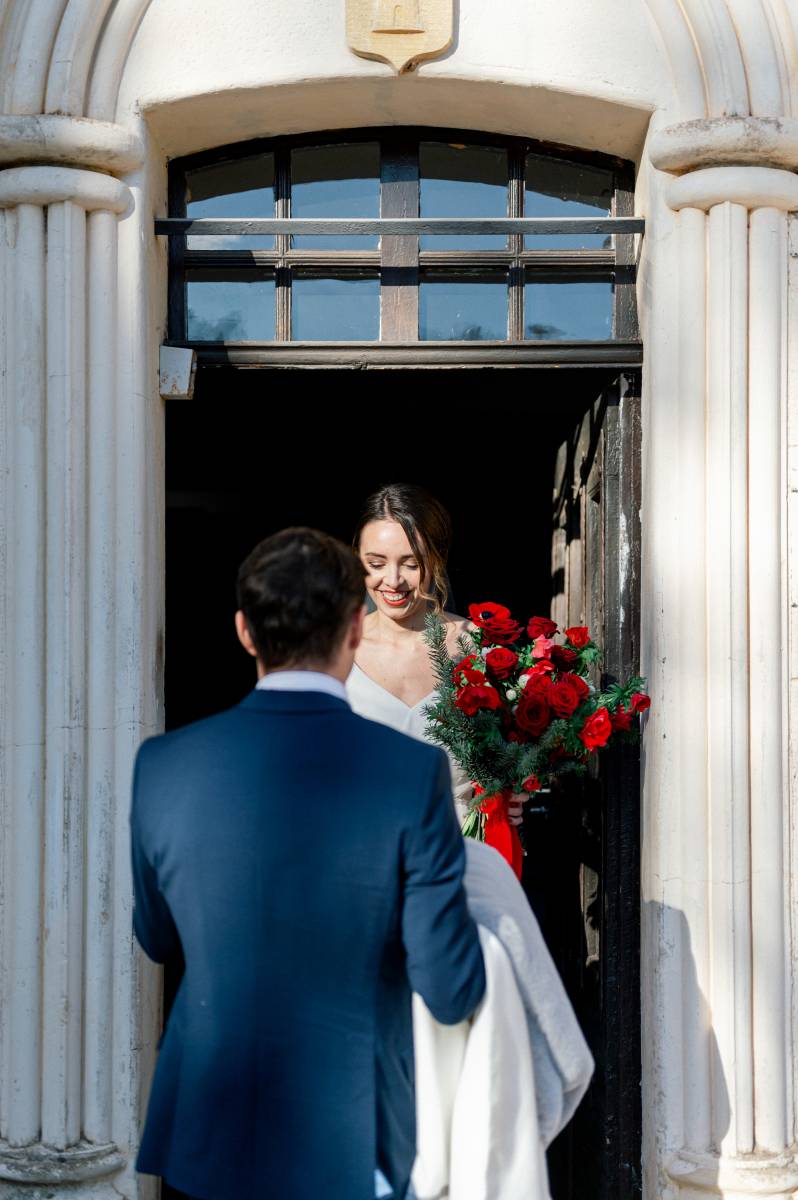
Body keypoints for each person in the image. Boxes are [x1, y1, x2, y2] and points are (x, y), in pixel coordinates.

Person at [129, 526, 486, 1200]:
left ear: (243, 631)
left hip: (210, 1131)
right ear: (356, 628)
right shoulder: (413, 773)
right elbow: (449, 988)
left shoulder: (163, 766)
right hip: (358, 1133)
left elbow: (157, 938)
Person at [345, 484, 595, 1197]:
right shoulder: (336, 647)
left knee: (469, 1083)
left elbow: (500, 769)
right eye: (375, 563)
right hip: (358, 898)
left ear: (437, 559)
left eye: (410, 562)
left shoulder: (475, 649)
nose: (392, 581)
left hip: (462, 891)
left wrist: (511, 787)